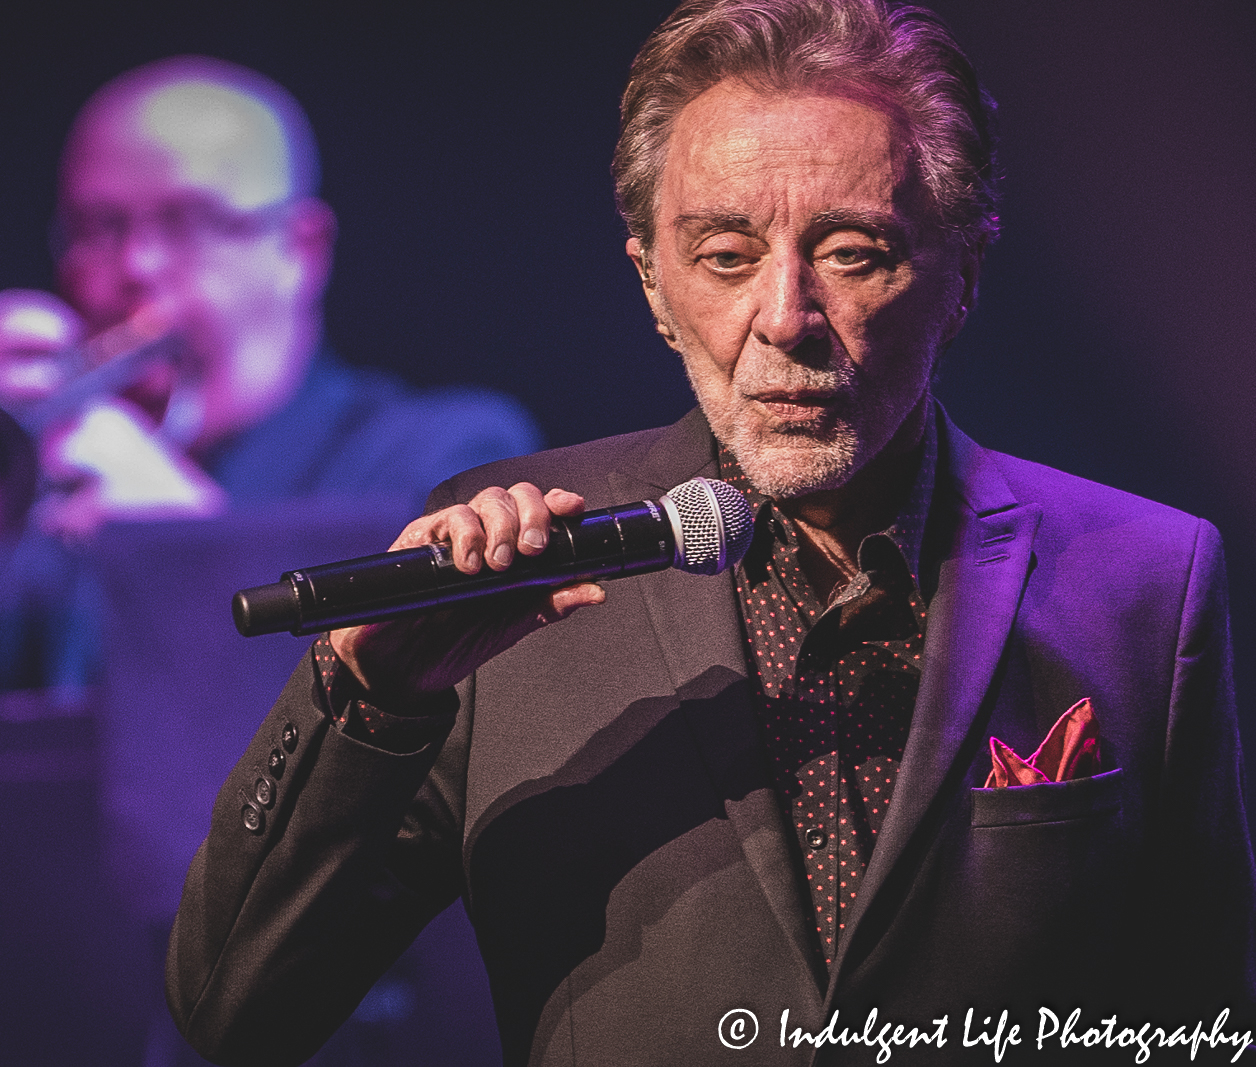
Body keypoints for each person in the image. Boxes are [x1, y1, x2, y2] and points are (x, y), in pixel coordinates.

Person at [166, 2, 1256, 1064]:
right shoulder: (511, 565)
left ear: (961, 272)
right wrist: (374, 703)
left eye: (852, 250)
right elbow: (235, 1014)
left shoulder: (1142, 577)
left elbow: (1205, 1016)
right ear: (651, 280)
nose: (784, 315)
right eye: (726, 255)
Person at [0, 58, 535, 1066]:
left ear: (299, 248)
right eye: (97, 228)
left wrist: (166, 527)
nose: (135, 268)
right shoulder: (48, 491)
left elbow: (401, 752)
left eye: (189, 222)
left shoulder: (434, 450)